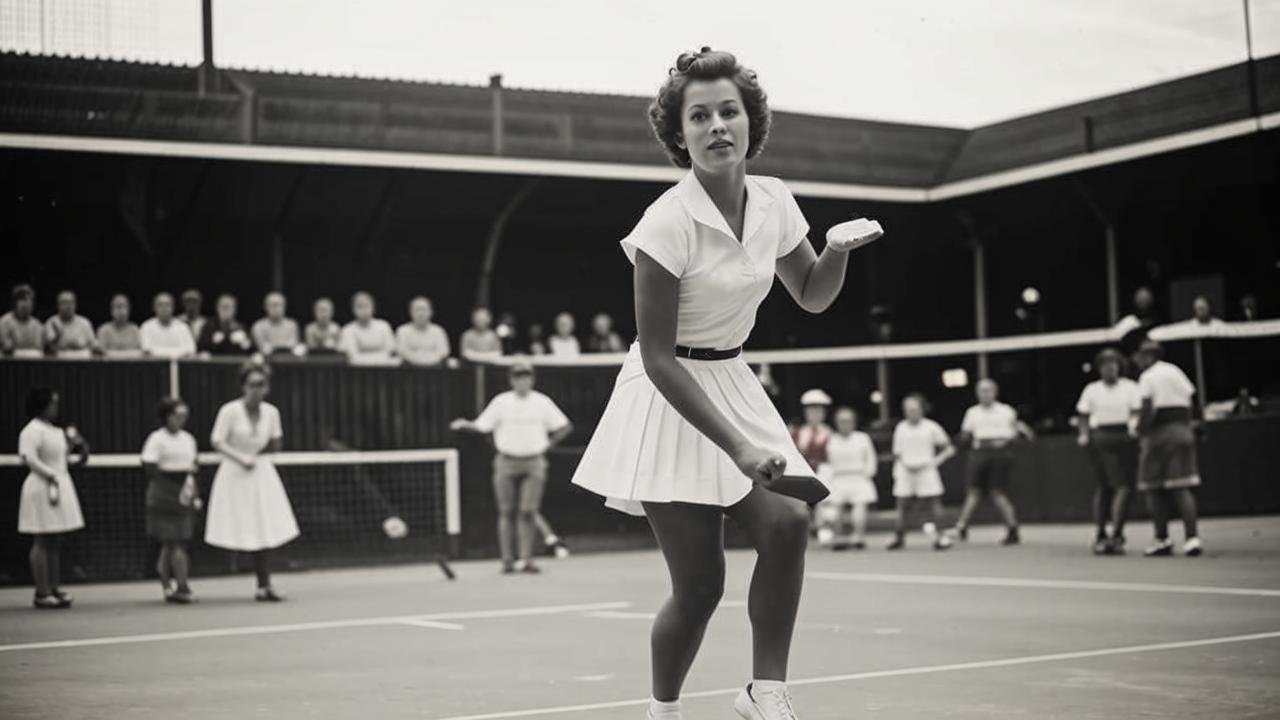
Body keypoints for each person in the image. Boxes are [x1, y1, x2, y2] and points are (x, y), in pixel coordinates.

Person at [570, 48, 881, 720]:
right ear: (679, 134)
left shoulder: (773, 200)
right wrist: (739, 448)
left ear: (750, 122)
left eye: (729, 112)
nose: (717, 126)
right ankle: (663, 711)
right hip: (666, 395)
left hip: (733, 377)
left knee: (789, 523)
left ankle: (763, 690)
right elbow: (657, 357)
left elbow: (811, 294)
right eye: (700, 115)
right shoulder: (665, 222)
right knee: (701, 586)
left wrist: (834, 252)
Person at [451, 360, 573, 574]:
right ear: (511, 380)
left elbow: (564, 426)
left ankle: (526, 559)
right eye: (518, 377)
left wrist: (547, 445)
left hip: (534, 460)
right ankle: (507, 560)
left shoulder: (542, 402)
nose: (522, 381)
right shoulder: (501, 402)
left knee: (528, 510)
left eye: (526, 376)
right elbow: (482, 425)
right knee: (506, 511)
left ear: (532, 379)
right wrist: (464, 424)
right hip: (506, 461)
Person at [204, 362, 299, 600]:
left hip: (260, 471)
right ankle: (181, 582)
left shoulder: (272, 412)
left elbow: (276, 443)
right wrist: (240, 458)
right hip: (234, 472)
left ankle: (264, 585)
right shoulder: (229, 411)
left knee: (264, 526)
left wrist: (267, 447)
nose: (257, 389)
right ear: (243, 386)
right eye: (252, 384)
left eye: (262, 385)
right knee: (238, 525)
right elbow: (217, 441)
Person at [17, 387, 88, 609]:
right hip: (41, 488)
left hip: (60, 485)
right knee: (41, 538)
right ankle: (42, 591)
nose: (55, 407)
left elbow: (63, 460)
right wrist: (50, 476)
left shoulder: (56, 431)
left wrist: (81, 449)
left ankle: (54, 587)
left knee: (55, 540)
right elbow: (29, 458)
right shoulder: (31, 431)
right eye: (52, 403)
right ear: (42, 405)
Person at [1133, 340, 1203, 557]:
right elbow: (1191, 401)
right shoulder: (1175, 371)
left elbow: (1147, 407)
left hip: (1159, 434)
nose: (1138, 360)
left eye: (1141, 356)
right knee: (1182, 486)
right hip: (1183, 430)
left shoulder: (1148, 376)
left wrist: (1140, 430)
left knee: (1152, 486)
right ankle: (1192, 538)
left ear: (1148, 356)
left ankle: (1161, 538)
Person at [952, 379, 1034, 545]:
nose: (985, 394)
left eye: (988, 390)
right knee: (973, 491)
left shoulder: (1006, 411)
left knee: (997, 492)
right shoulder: (972, 412)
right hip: (979, 452)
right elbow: (966, 434)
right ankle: (961, 527)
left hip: (1001, 453)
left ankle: (1012, 529)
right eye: (981, 391)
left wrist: (1020, 434)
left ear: (995, 392)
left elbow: (1017, 433)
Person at [1075, 348, 1142, 554]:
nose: (1109, 369)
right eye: (1105, 365)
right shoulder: (1092, 390)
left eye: (1113, 365)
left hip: (1125, 438)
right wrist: (1084, 434)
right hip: (1102, 438)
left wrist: (1133, 426)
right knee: (1107, 486)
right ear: (1099, 369)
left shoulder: (1130, 387)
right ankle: (1104, 533)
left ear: (1119, 367)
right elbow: (1083, 415)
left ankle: (1116, 533)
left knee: (1124, 486)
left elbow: (1137, 411)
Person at [141, 397, 201, 603]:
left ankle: (167, 583)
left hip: (183, 494)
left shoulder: (189, 439)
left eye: (184, 415)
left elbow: (193, 469)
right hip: (163, 495)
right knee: (175, 541)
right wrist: (170, 490)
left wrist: (193, 494)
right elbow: (150, 468)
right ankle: (182, 587)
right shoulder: (156, 439)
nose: (181, 419)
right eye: (177, 415)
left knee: (173, 542)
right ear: (166, 417)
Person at [888, 393, 954, 551]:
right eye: (908, 409)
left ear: (921, 409)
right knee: (902, 506)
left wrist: (934, 462)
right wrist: (902, 467)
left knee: (934, 505)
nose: (911, 412)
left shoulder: (932, 427)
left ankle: (941, 536)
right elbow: (897, 453)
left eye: (914, 409)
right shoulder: (901, 428)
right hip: (906, 471)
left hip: (926, 471)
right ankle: (899, 537)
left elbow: (949, 448)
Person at [816, 406, 878, 550]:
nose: (845, 424)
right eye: (841, 421)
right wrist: (827, 478)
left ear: (854, 422)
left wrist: (868, 474)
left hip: (859, 476)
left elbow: (871, 458)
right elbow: (827, 462)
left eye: (848, 421)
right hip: (838, 478)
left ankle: (858, 537)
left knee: (860, 506)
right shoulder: (831, 439)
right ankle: (839, 538)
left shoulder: (862, 438)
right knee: (836, 508)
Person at [339, 291, 396, 364]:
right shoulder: (347, 330)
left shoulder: (384, 326)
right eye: (360, 306)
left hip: (383, 370)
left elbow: (390, 353)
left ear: (373, 307)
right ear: (353, 309)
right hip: (357, 372)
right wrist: (380, 358)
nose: (364, 310)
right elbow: (353, 357)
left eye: (367, 305)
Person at [396, 296, 451, 366]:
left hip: (435, 368)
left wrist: (428, 361)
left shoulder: (438, 331)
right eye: (417, 310)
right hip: (409, 368)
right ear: (410, 312)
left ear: (431, 312)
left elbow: (443, 352)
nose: (420, 313)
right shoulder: (402, 331)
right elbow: (402, 351)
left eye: (424, 309)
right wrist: (419, 361)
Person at [139, 293, 197, 358]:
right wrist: (179, 353)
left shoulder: (183, 327)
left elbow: (191, 351)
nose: (164, 308)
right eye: (160, 305)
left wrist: (157, 352)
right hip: (153, 366)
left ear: (173, 307)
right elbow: (147, 352)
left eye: (167, 305)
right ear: (154, 307)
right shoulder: (146, 327)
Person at [43, 290, 97, 358]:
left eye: (71, 302)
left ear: (75, 304)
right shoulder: (51, 322)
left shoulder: (84, 323)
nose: (68, 306)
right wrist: (57, 337)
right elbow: (48, 350)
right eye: (64, 302)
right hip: (58, 362)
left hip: (81, 361)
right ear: (58, 305)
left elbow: (93, 346)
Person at [792, 389, 833, 472]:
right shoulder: (797, 432)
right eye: (810, 411)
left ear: (824, 413)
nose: (814, 414)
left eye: (818, 411)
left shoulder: (830, 433)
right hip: (802, 472)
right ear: (805, 413)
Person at [251, 292, 303, 356]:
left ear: (285, 306)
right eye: (273, 305)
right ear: (265, 307)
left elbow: (292, 346)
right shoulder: (258, 326)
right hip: (267, 362)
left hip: (288, 361)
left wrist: (273, 347)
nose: (276, 308)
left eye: (280, 305)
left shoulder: (292, 325)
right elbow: (264, 349)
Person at [1, 284, 43, 357]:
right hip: (10, 363)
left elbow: (38, 349)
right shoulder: (4, 322)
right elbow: (6, 348)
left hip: (33, 362)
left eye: (29, 301)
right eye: (22, 300)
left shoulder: (37, 325)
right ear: (15, 303)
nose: (26, 304)